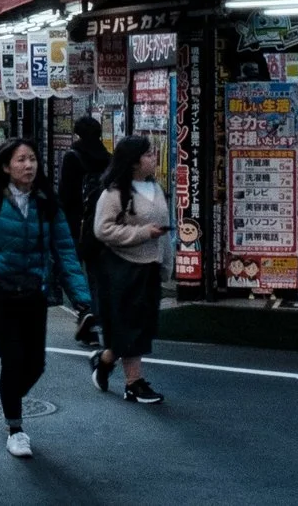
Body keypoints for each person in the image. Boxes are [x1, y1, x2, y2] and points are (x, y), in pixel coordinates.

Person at [0, 138, 91, 459]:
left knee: (36, 364)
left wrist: (82, 299)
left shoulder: (47, 202)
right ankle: (16, 428)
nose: (28, 165)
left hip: (34, 293)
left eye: (32, 159)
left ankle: (8, 399)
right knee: (13, 359)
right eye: (21, 160)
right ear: (5, 166)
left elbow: (66, 253)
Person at [86, 136, 170, 405]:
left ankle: (106, 360)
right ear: (134, 161)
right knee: (129, 325)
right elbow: (102, 229)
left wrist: (166, 262)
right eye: (148, 154)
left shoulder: (155, 188)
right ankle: (133, 383)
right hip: (121, 267)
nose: (153, 158)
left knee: (142, 325)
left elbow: (164, 230)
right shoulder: (114, 193)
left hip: (150, 266)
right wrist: (143, 233)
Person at [56, 114, 112, 347]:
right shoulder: (109, 158)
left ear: (77, 133)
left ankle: (85, 312)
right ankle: (97, 317)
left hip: (75, 222)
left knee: (72, 270)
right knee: (97, 273)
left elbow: (66, 195)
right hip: (103, 222)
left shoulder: (73, 156)